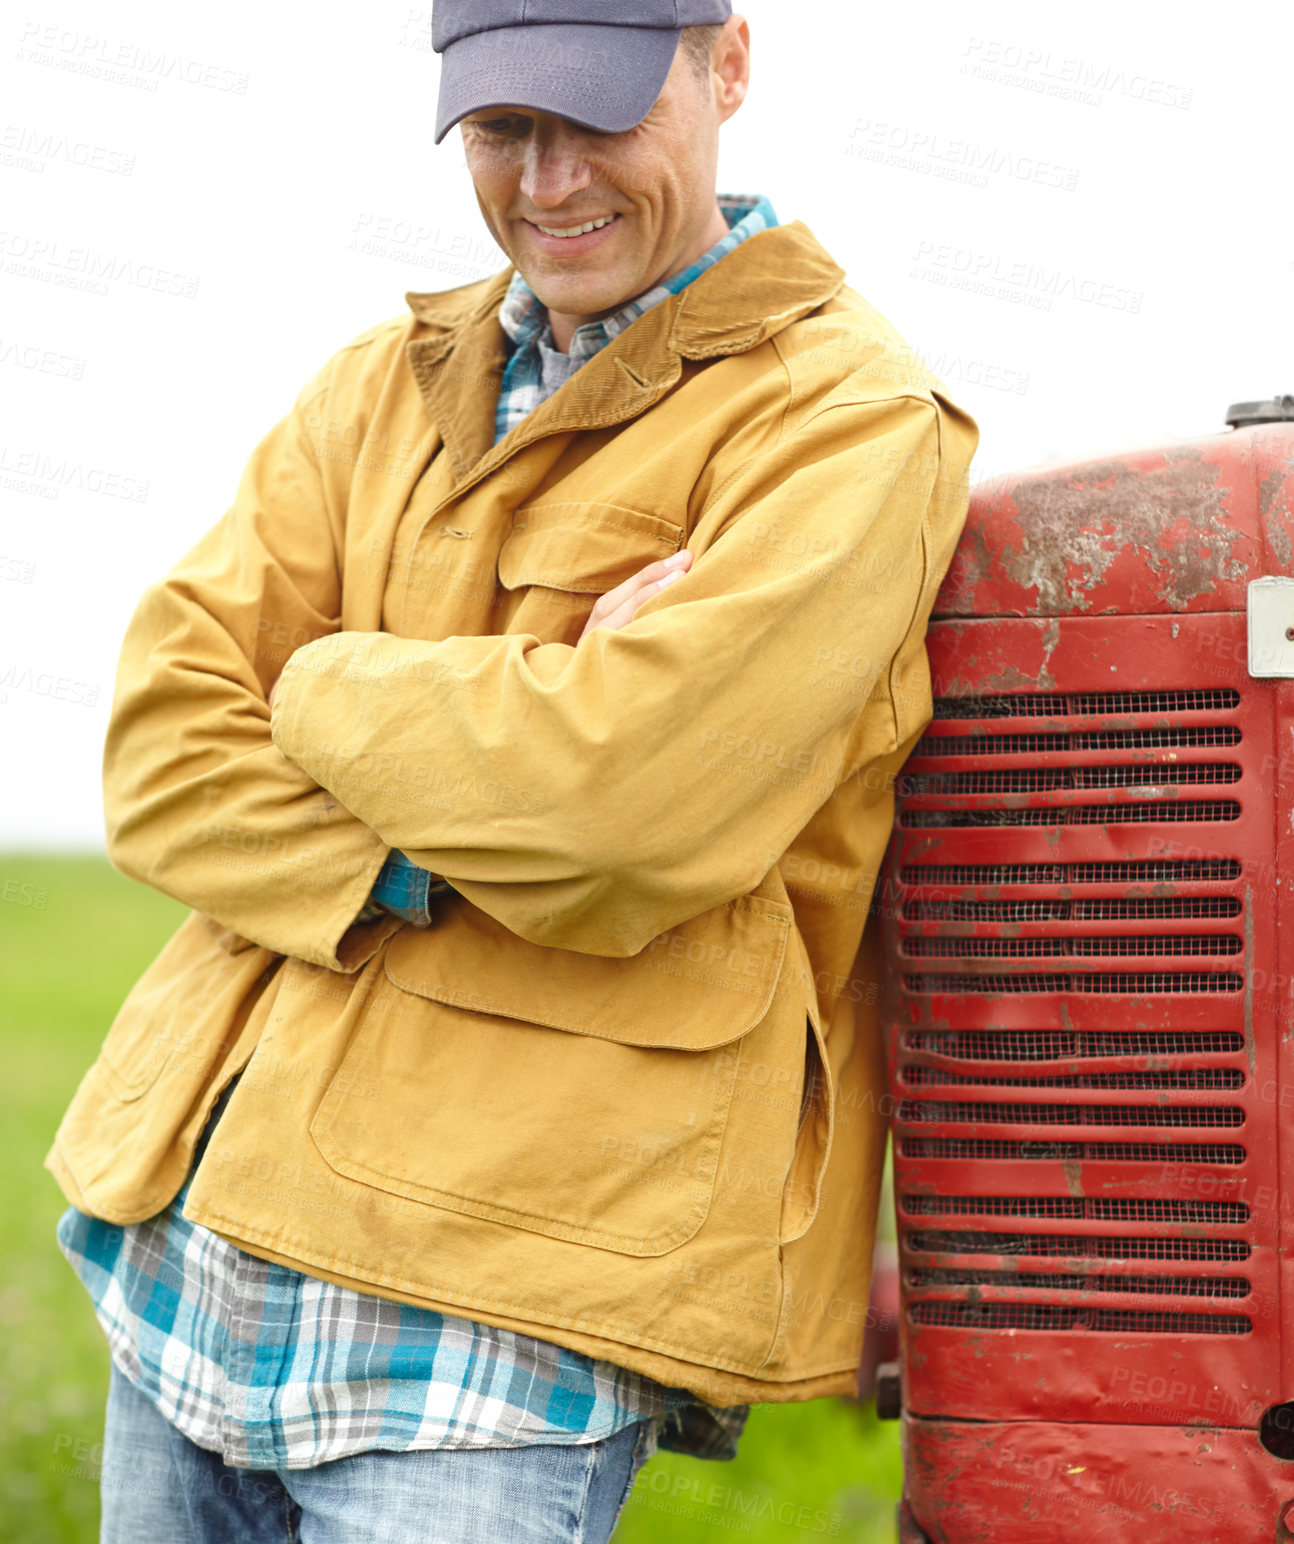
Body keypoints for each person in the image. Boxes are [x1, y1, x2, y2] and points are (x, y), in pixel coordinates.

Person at [45, 2, 978, 1539]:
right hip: (191, 1255)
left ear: (726, 65)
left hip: (497, 1294)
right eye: (500, 132)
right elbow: (156, 751)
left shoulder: (845, 423)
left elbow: (622, 810)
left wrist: (323, 679)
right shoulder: (378, 381)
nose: (547, 182)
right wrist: (436, 829)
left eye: (594, 119)